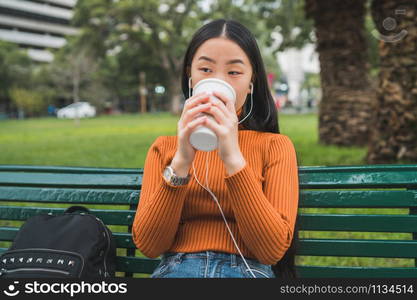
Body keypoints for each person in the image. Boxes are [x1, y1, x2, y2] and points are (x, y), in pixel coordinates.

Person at [132, 19, 299, 278]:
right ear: (191, 77)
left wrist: (232, 157)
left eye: (234, 72)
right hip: (177, 270)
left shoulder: (275, 147)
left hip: (247, 272)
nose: (219, 82)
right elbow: (150, 246)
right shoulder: (164, 149)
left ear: (252, 82)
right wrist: (182, 160)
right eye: (206, 69)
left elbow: (271, 251)